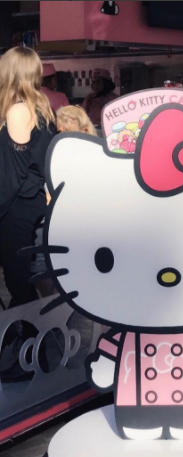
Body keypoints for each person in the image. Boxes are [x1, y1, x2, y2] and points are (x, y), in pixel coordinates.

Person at [0, 46, 57, 381]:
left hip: (16, 210)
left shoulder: (17, 111)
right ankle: (33, 351)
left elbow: (11, 177)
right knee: (21, 282)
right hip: (30, 206)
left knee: (18, 284)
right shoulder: (41, 108)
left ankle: (29, 357)